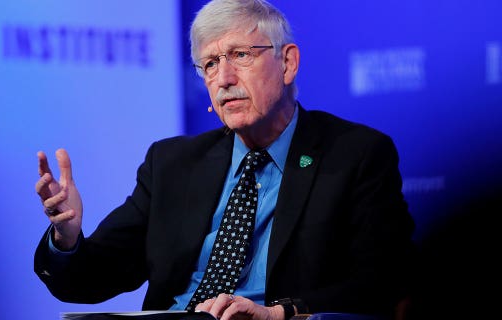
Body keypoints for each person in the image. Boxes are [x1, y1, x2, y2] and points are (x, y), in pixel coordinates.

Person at [34, 1, 416, 320]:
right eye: (210, 64)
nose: (223, 78)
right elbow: (87, 280)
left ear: (287, 63)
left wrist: (279, 313)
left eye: (239, 55)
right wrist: (66, 239)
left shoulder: (355, 154)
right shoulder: (171, 163)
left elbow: (383, 282)